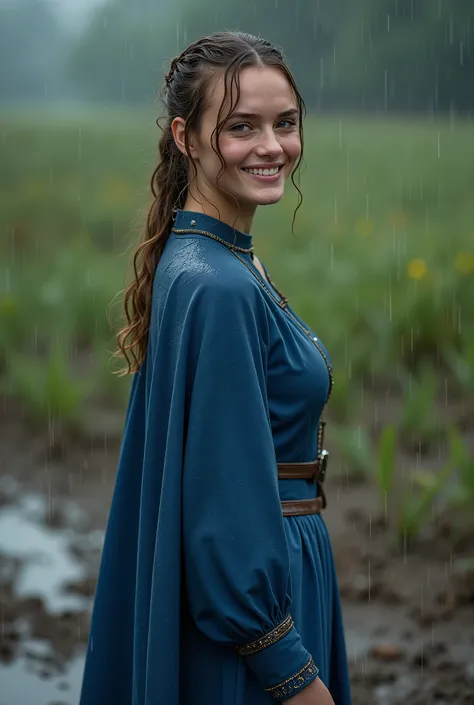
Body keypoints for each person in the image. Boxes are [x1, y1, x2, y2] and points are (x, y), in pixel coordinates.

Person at [79, 30, 352, 705]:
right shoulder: (219, 285)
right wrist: (294, 676)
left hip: (262, 584)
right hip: (255, 618)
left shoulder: (208, 257)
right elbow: (224, 514)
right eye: (240, 126)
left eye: (284, 123)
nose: (271, 146)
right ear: (186, 136)